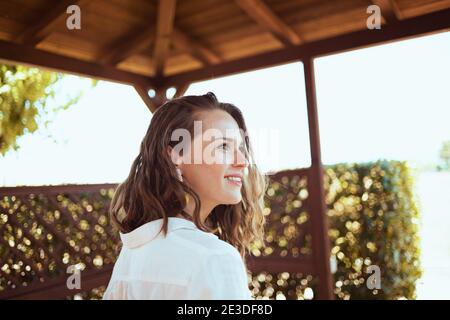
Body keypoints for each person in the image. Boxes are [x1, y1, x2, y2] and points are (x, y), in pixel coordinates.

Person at [103, 92, 266, 299]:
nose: (242, 161)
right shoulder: (215, 257)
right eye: (223, 146)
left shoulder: (132, 253)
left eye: (241, 149)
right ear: (176, 155)